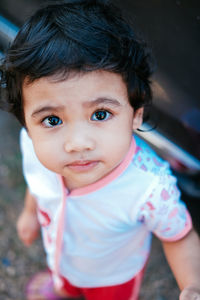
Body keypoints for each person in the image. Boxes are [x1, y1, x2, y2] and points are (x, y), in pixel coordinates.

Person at [1, 0, 200, 299]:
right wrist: (30, 214)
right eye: (52, 120)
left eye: (100, 114)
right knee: (63, 283)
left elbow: (179, 236)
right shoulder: (33, 144)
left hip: (113, 281)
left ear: (135, 114)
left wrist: (192, 285)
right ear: (27, 122)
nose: (78, 143)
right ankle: (63, 289)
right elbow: (37, 181)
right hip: (61, 255)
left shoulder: (149, 188)